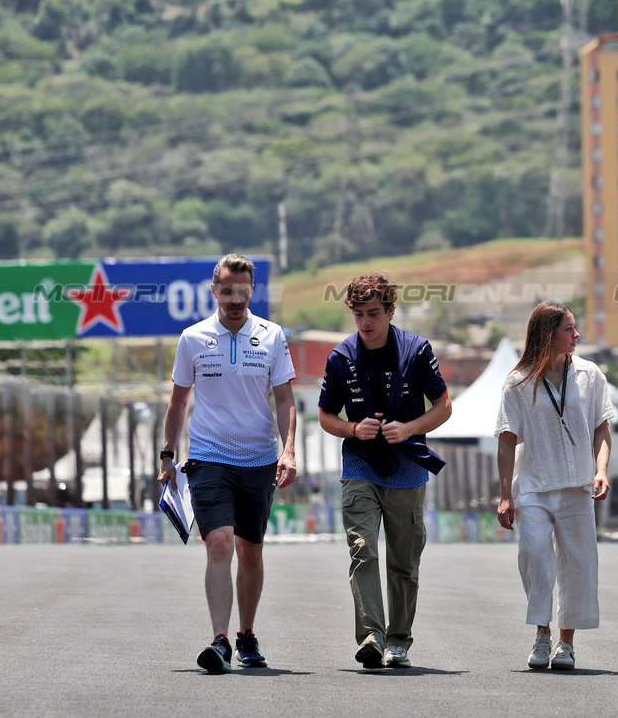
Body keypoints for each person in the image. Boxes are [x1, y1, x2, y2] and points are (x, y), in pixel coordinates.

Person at [158, 253, 298, 674]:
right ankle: (219, 641)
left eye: (243, 291)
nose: (235, 299)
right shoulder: (193, 338)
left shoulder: (272, 336)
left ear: (251, 291)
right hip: (208, 457)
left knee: (250, 551)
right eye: (226, 290)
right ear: (214, 290)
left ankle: (246, 635)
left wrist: (288, 450)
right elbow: (179, 401)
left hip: (258, 459)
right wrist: (168, 454)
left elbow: (286, 400)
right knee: (218, 543)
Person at [318, 274, 451, 671]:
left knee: (404, 562)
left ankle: (398, 640)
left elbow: (444, 405)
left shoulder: (416, 351)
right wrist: (353, 429)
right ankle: (372, 636)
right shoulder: (340, 358)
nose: (365, 322)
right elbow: (326, 415)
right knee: (363, 549)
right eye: (358, 314)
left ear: (391, 311)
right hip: (359, 464)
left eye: (374, 313)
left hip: (407, 466)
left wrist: (410, 428)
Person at [495, 302, 614, 671]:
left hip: (578, 486)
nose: (576, 335)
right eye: (569, 329)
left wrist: (601, 470)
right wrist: (505, 494)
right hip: (533, 485)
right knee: (534, 556)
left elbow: (602, 427)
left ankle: (566, 644)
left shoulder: (590, 375)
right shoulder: (518, 381)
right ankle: (541, 634)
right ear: (548, 334)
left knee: (578, 565)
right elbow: (506, 438)